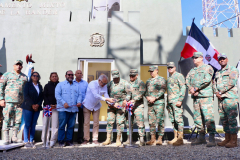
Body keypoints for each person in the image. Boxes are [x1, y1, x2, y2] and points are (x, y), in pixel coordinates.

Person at [186, 52, 216, 147]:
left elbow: (207, 80)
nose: (194, 59)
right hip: (196, 98)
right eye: (193, 58)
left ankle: (212, 138)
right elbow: (187, 80)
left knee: (208, 118)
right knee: (197, 119)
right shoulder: (192, 70)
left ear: (201, 58)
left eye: (196, 57)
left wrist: (196, 88)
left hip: (205, 97)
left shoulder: (208, 68)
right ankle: (201, 138)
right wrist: (191, 89)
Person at [214, 53, 239, 148]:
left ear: (227, 59)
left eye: (223, 58)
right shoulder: (217, 72)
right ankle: (227, 138)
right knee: (224, 120)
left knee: (231, 119)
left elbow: (232, 82)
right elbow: (214, 84)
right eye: (220, 59)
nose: (222, 60)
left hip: (230, 98)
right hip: (221, 99)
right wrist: (216, 92)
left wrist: (220, 92)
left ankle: (233, 141)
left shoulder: (233, 70)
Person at [0, 60, 28, 145]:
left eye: (20, 65)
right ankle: (6, 138)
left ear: (22, 67)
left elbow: (25, 90)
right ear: (13, 66)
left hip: (20, 103)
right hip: (9, 101)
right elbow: (1, 87)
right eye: (17, 65)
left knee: (18, 120)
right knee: (7, 119)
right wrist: (1, 99)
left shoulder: (24, 77)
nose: (18, 66)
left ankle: (14, 137)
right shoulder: (6, 75)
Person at [81, 74, 114, 145]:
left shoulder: (104, 85)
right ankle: (86, 139)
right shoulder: (92, 84)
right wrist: (107, 99)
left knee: (96, 123)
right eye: (103, 83)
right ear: (99, 80)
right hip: (87, 105)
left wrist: (110, 102)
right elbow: (96, 95)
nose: (104, 85)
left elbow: (106, 95)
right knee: (86, 123)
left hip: (96, 106)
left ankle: (95, 139)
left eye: (106, 83)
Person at [102, 69, 132, 147]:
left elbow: (129, 93)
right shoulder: (109, 84)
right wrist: (108, 102)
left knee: (120, 122)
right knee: (110, 121)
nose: (116, 79)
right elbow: (106, 96)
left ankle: (118, 139)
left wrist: (126, 100)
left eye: (117, 77)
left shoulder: (124, 83)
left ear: (119, 75)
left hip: (121, 106)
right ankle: (108, 139)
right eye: (114, 77)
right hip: (111, 105)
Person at [55, 70, 82, 147]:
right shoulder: (60, 85)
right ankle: (61, 141)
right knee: (62, 126)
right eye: (69, 74)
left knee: (71, 126)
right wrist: (64, 103)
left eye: (72, 75)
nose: (70, 76)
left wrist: (79, 102)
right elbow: (57, 95)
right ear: (65, 75)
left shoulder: (76, 86)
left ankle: (69, 141)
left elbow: (80, 95)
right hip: (63, 109)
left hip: (73, 110)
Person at [123, 69, 146, 146]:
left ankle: (142, 139)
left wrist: (134, 100)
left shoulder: (140, 83)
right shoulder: (127, 83)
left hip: (138, 106)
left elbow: (141, 93)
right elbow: (127, 93)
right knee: (129, 123)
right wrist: (126, 100)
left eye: (133, 76)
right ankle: (129, 139)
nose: (131, 77)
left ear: (137, 75)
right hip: (129, 107)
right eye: (130, 75)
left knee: (140, 123)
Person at [145, 65, 166, 146]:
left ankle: (160, 138)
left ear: (157, 70)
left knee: (160, 120)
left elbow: (163, 89)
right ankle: (152, 138)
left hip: (159, 103)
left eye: (152, 71)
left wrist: (155, 97)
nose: (151, 73)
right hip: (150, 104)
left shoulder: (161, 79)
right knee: (151, 121)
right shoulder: (148, 81)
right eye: (150, 71)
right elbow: (145, 91)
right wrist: (147, 97)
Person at [21, 72, 43, 148]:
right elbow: (26, 96)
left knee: (33, 124)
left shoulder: (40, 86)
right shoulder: (27, 85)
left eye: (37, 76)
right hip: (28, 107)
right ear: (31, 77)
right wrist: (32, 105)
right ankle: (26, 141)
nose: (35, 77)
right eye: (34, 75)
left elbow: (41, 97)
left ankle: (31, 140)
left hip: (37, 108)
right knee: (27, 124)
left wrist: (38, 105)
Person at [166, 62, 186, 146]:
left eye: (171, 67)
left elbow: (183, 87)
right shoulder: (169, 78)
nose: (170, 69)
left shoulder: (179, 76)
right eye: (168, 68)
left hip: (176, 101)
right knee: (173, 120)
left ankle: (180, 138)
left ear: (174, 67)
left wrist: (180, 99)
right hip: (170, 102)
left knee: (178, 120)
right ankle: (175, 137)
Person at [41, 72, 59, 148]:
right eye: (53, 76)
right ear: (50, 78)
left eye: (55, 76)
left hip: (56, 107)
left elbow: (60, 96)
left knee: (55, 125)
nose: (54, 77)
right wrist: (49, 104)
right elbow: (44, 96)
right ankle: (45, 141)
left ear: (57, 77)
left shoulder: (60, 85)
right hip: (47, 108)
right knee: (46, 125)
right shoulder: (47, 86)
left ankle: (53, 141)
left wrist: (56, 104)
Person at [73, 70, 88, 144]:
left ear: (82, 75)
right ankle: (70, 139)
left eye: (80, 73)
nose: (79, 74)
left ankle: (80, 138)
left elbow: (87, 94)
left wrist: (83, 102)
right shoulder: (71, 83)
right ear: (75, 74)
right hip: (72, 106)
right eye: (78, 73)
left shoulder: (85, 83)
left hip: (82, 106)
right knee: (71, 123)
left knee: (81, 123)